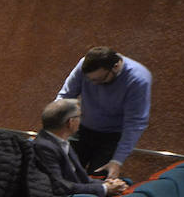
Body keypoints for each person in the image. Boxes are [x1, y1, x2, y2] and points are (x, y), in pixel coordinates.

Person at [56, 46, 151, 179]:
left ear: (116, 66)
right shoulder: (84, 65)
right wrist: (52, 131)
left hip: (112, 137)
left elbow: (135, 123)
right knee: (63, 172)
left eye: (99, 79)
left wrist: (117, 160)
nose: (94, 84)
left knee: (98, 179)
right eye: (90, 80)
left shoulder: (138, 79)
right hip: (82, 128)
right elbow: (65, 97)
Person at [34, 99, 126, 197]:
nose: (81, 120)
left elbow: (82, 178)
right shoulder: (44, 147)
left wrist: (108, 184)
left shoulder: (62, 142)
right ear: (70, 122)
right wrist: (104, 188)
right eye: (79, 116)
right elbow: (59, 185)